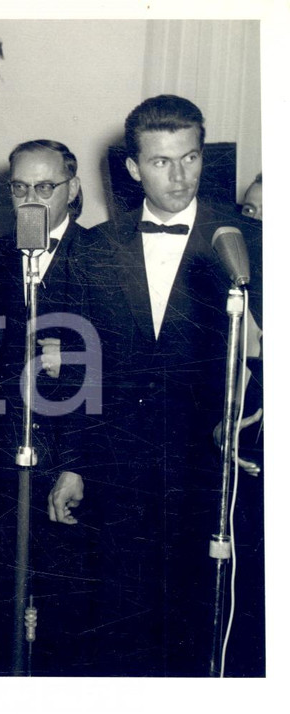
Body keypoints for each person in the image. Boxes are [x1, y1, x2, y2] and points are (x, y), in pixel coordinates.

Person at [47, 95, 264, 675]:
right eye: (162, 162)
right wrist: (73, 463)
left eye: (190, 158)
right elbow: (77, 367)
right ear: (133, 167)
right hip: (119, 469)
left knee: (202, 627)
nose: (179, 175)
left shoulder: (246, 242)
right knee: (118, 621)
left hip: (209, 472)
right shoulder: (92, 248)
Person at [0, 139, 93, 674]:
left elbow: (124, 375)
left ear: (74, 189)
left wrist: (78, 461)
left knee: (68, 616)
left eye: (45, 187)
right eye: (19, 187)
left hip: (71, 463)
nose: (31, 199)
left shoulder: (104, 258)